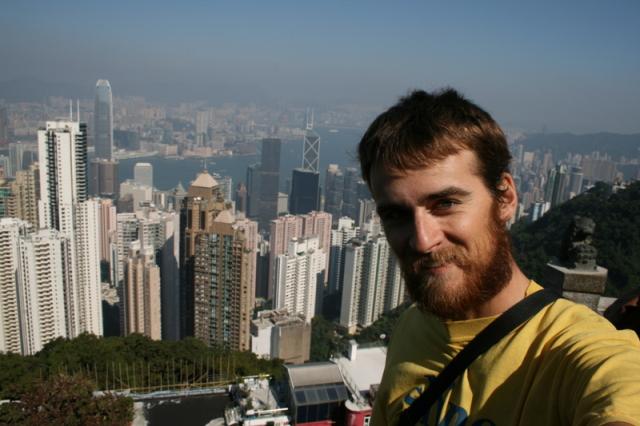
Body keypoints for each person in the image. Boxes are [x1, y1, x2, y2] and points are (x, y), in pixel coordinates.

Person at [358, 88, 640, 425]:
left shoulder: (572, 350)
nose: (422, 240)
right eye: (396, 215)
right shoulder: (411, 327)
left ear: (505, 198)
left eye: (446, 204)